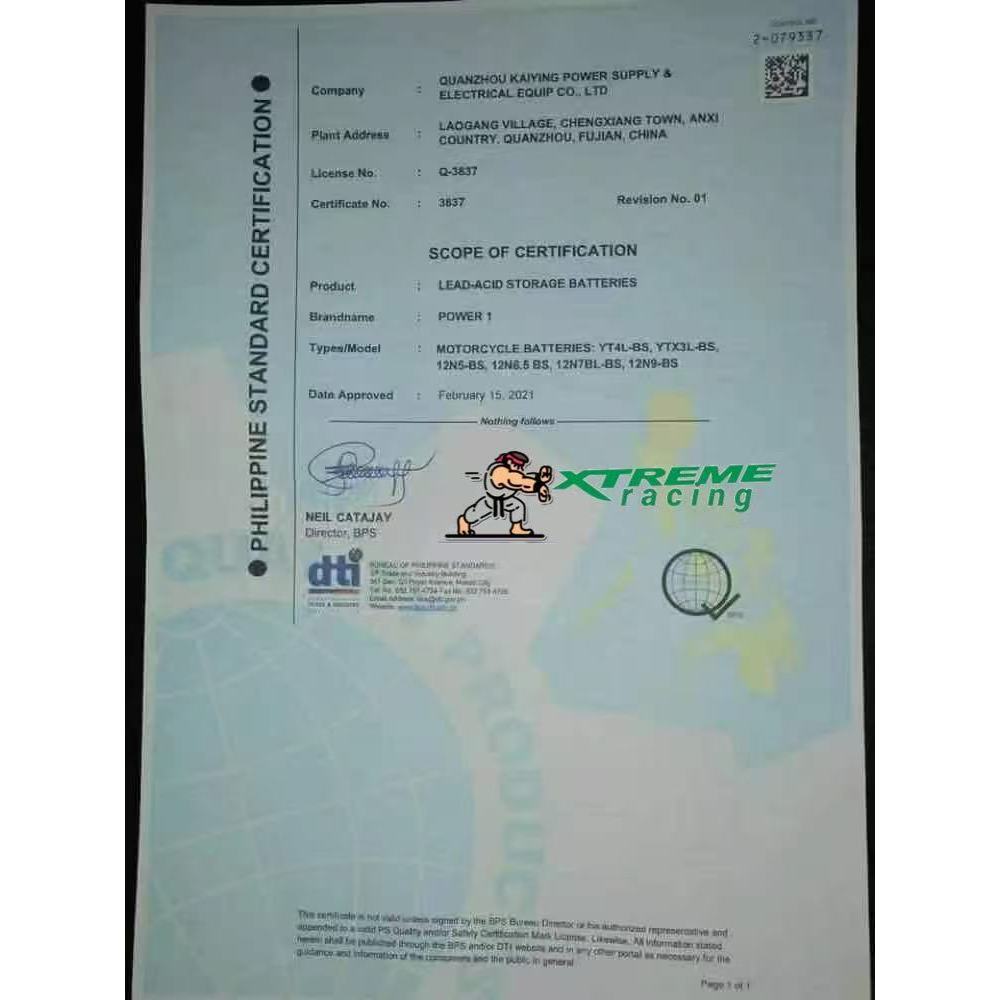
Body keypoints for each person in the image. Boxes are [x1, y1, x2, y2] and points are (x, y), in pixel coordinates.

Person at [457, 451, 552, 536]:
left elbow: (523, 480)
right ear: (510, 462)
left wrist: (539, 478)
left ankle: (516, 528)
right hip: (492, 501)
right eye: (518, 466)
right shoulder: (499, 472)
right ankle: (464, 521)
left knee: (518, 506)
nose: (519, 469)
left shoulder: (513, 472)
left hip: (507, 500)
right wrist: (538, 486)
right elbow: (519, 481)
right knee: (476, 512)